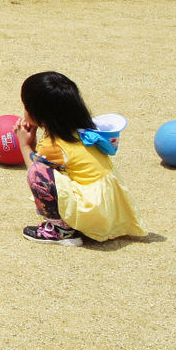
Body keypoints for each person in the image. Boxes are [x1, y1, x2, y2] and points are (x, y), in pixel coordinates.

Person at [15, 71, 145, 245]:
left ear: (39, 113)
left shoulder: (54, 145)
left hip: (93, 211)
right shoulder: (81, 131)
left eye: (26, 106)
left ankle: (62, 232)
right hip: (109, 209)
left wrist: (24, 144)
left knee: (38, 173)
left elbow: (35, 168)